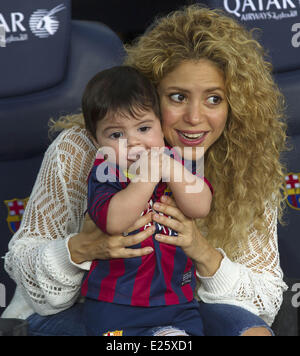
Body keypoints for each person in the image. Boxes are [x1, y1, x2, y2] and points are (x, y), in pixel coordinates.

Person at [2, 5, 288, 336]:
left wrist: (202, 252)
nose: (195, 118)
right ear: (149, 97)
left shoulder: (248, 164)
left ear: (233, 104)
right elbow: (25, 272)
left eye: (214, 99)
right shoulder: (83, 149)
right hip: (86, 312)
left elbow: (264, 300)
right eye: (178, 97)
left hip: (182, 314)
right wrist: (82, 249)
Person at [81, 65, 212, 336]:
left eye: (143, 128)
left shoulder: (176, 161)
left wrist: (169, 168)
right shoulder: (107, 172)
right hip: (115, 304)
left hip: (177, 300)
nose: (133, 143)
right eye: (116, 135)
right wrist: (147, 178)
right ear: (97, 140)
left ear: (161, 125)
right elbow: (114, 220)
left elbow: (200, 206)